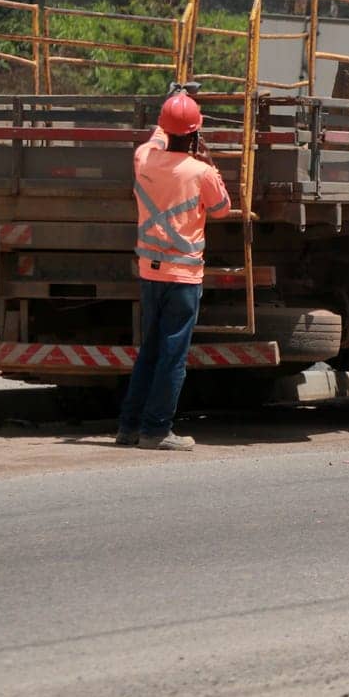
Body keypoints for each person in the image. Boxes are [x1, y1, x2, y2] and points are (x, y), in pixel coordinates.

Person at [116, 90, 232, 451]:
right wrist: (210, 162)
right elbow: (222, 210)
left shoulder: (144, 160)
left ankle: (129, 428)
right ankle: (157, 430)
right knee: (172, 356)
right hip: (182, 279)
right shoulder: (202, 173)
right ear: (196, 135)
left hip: (150, 275)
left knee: (149, 351)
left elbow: (155, 138)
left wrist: (171, 104)